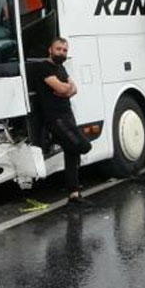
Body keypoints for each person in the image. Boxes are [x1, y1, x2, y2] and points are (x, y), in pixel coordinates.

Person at [30, 38, 92, 203]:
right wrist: (65, 89)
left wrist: (65, 90)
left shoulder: (61, 68)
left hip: (67, 115)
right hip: (55, 118)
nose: (62, 53)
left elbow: (73, 89)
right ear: (50, 49)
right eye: (58, 49)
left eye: (64, 50)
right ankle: (54, 138)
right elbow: (62, 88)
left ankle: (74, 194)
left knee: (71, 153)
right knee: (84, 146)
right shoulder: (43, 67)